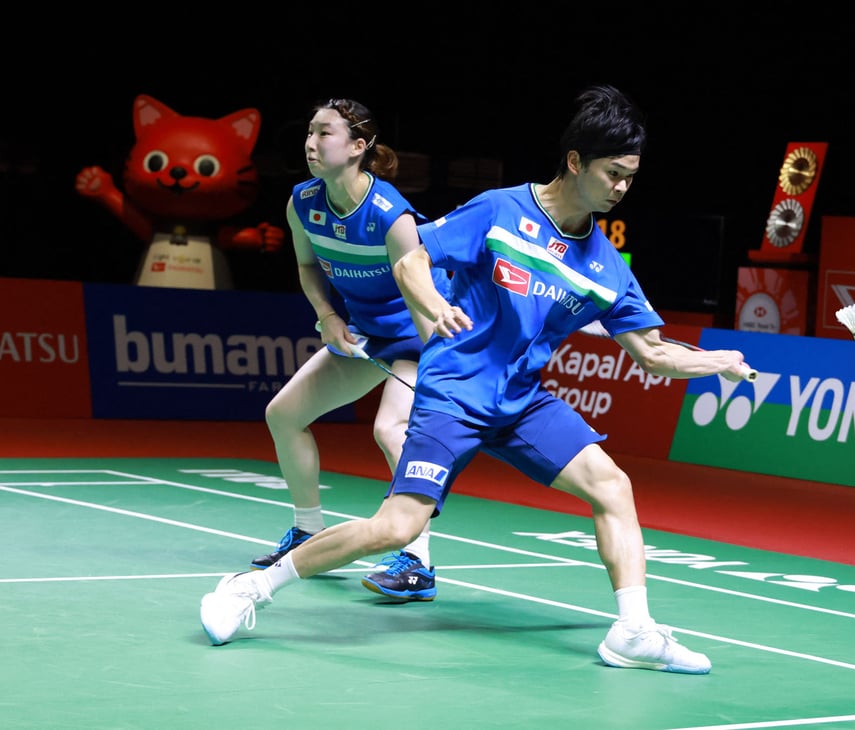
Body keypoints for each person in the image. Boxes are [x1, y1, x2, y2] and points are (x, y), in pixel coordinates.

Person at [200, 85, 751, 675]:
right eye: (612, 173)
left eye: (630, 178)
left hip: (521, 402)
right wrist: (432, 302)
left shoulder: (605, 267)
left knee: (612, 487)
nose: (621, 188)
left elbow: (650, 352)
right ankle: (247, 590)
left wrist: (718, 363)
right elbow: (412, 258)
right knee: (396, 527)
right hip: (454, 393)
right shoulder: (500, 210)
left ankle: (634, 632)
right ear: (574, 162)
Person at [252, 97, 451, 601]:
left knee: (392, 428)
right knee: (284, 414)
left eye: (324, 133)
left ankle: (417, 561)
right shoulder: (303, 202)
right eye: (310, 132)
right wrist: (329, 316)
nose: (310, 142)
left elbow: (427, 299)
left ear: (359, 146)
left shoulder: (391, 217)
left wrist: (438, 376)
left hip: (420, 330)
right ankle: (307, 531)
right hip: (365, 333)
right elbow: (306, 267)